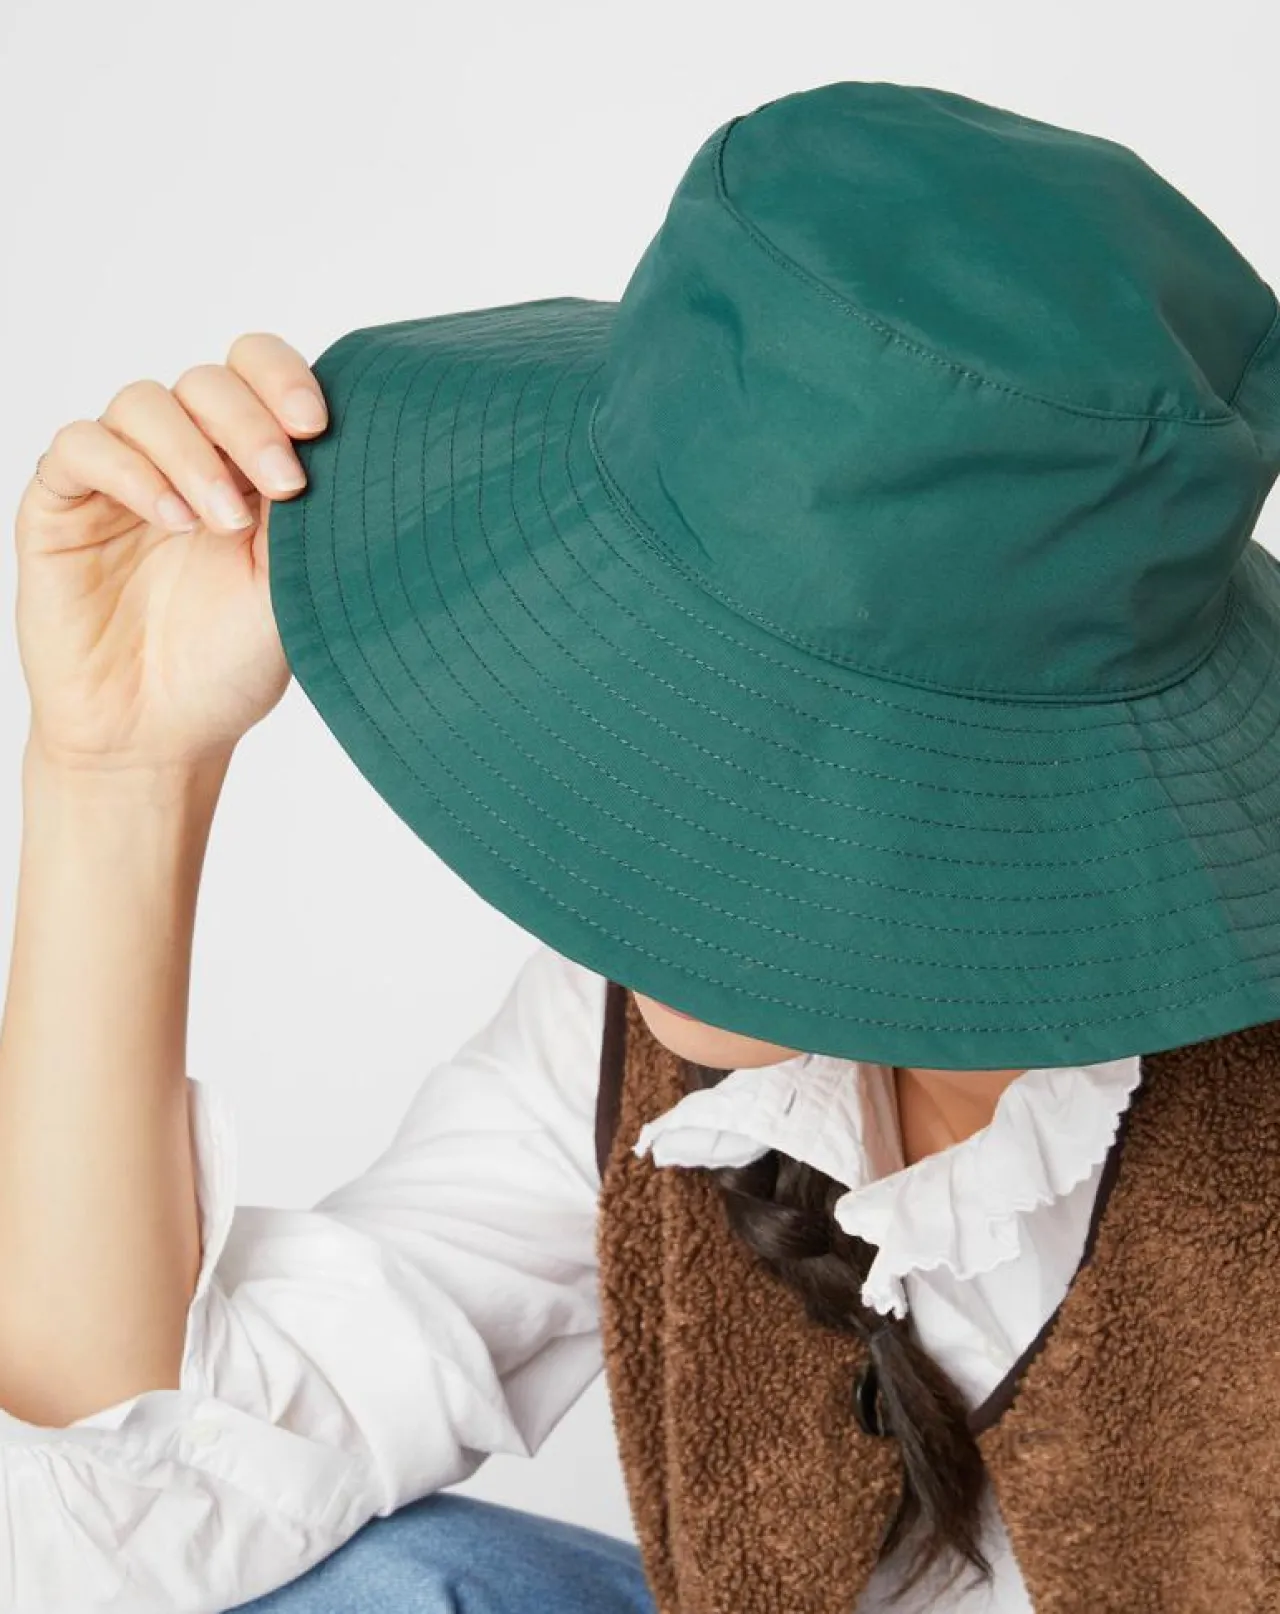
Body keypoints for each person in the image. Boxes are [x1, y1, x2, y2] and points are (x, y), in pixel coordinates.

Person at [3, 79, 1280, 1614]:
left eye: (756, 715)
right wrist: (117, 770)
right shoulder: (640, 1046)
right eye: (641, 658)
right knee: (378, 1587)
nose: (645, 799)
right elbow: (130, 1513)